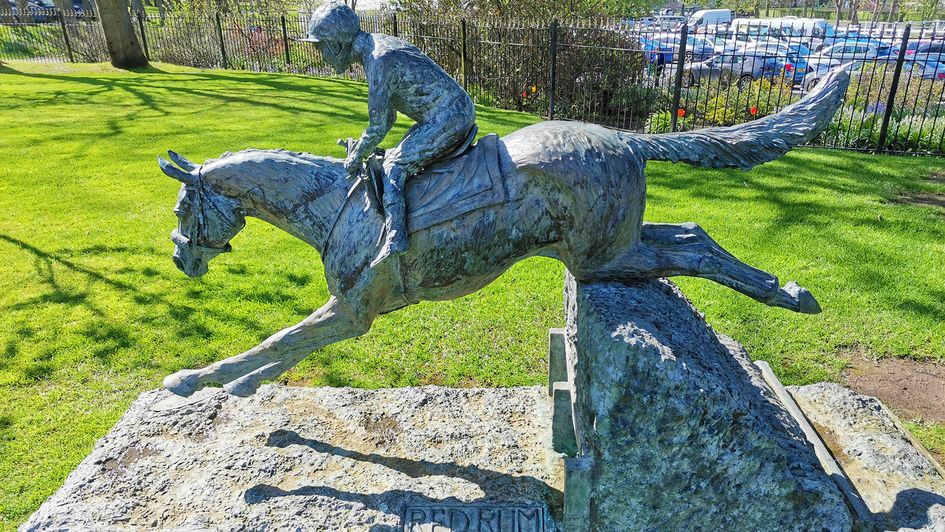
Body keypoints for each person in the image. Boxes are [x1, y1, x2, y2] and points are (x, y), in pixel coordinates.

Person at [301, 2, 477, 265]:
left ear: (336, 44)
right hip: (446, 112)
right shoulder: (376, 48)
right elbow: (390, 116)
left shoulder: (378, 60)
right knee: (395, 154)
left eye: (321, 48)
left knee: (394, 165)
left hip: (449, 116)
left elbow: (379, 125)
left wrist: (356, 155)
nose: (322, 56)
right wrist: (361, 146)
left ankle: (396, 238)